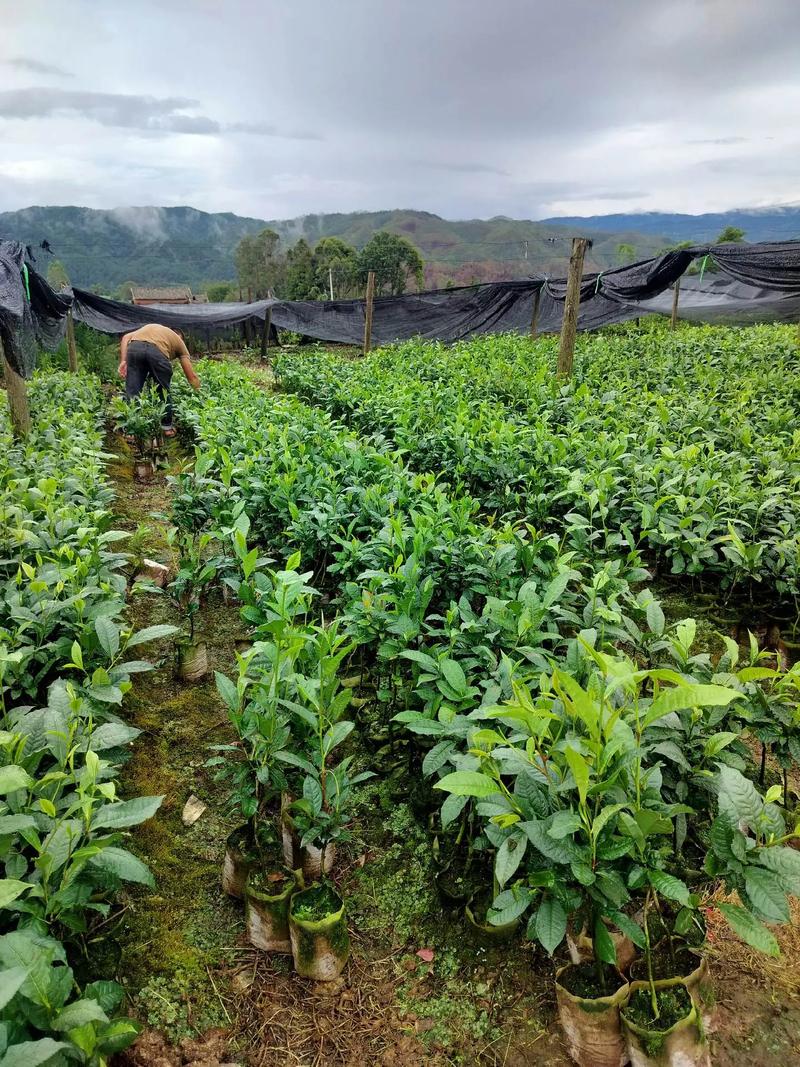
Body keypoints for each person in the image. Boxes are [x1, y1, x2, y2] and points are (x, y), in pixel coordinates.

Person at [118, 323, 200, 436]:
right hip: (156, 352)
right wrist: (199, 394)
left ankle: (131, 430)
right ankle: (167, 428)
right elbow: (191, 377)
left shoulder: (154, 329)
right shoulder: (180, 343)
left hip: (134, 348)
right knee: (163, 391)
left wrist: (123, 361)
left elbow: (126, 337)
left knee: (133, 389)